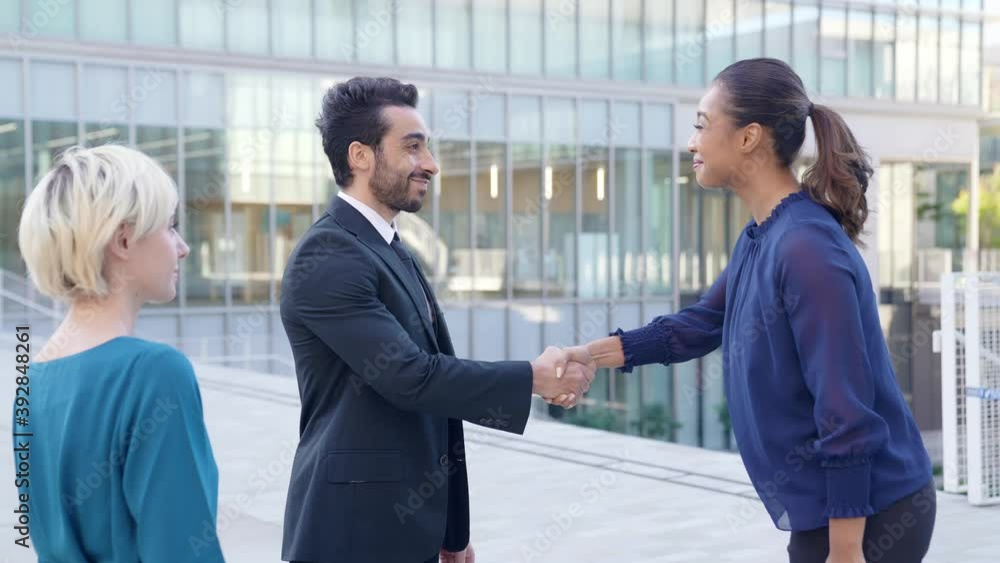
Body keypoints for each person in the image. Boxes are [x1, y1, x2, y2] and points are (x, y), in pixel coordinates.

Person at [555, 58, 935, 563]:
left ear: (749, 137)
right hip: (828, 515)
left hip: (870, 514)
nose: (691, 143)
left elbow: (845, 408)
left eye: (701, 124)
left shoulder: (806, 249)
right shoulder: (764, 236)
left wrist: (845, 551)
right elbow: (699, 324)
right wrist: (592, 354)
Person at [279, 77, 595, 563]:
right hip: (353, 533)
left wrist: (448, 530)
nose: (430, 163)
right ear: (361, 156)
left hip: (407, 529)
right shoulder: (328, 255)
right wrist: (534, 377)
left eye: (427, 147)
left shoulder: (385, 247)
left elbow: (431, 396)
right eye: (412, 147)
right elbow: (411, 377)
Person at [14, 145, 225, 561]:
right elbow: (182, 550)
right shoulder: (154, 372)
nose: (182, 247)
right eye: (170, 227)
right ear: (124, 240)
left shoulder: (32, 380)